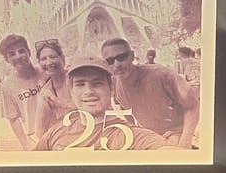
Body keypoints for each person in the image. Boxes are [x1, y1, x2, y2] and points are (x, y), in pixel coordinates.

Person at [35, 56, 168, 151]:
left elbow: (168, 153)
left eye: (97, 84)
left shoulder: (131, 136)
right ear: (72, 91)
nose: (88, 91)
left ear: (111, 89)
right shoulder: (56, 133)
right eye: (80, 84)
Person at [100, 37, 199, 148]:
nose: (117, 64)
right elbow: (125, 109)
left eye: (122, 57)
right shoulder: (115, 84)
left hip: (175, 134)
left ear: (132, 56)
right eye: (110, 61)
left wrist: (185, 142)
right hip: (151, 138)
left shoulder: (162, 75)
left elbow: (193, 105)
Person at [0, 34, 44, 149]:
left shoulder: (45, 72)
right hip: (36, 137)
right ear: (7, 60)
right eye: (12, 54)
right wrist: (25, 145)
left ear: (29, 52)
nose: (18, 56)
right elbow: (13, 118)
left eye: (21, 51)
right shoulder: (7, 87)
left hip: (58, 129)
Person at [34, 38, 73, 136]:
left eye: (53, 57)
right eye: (43, 59)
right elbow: (40, 131)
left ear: (62, 58)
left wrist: (57, 102)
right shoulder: (45, 93)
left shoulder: (76, 79)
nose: (49, 62)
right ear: (39, 63)